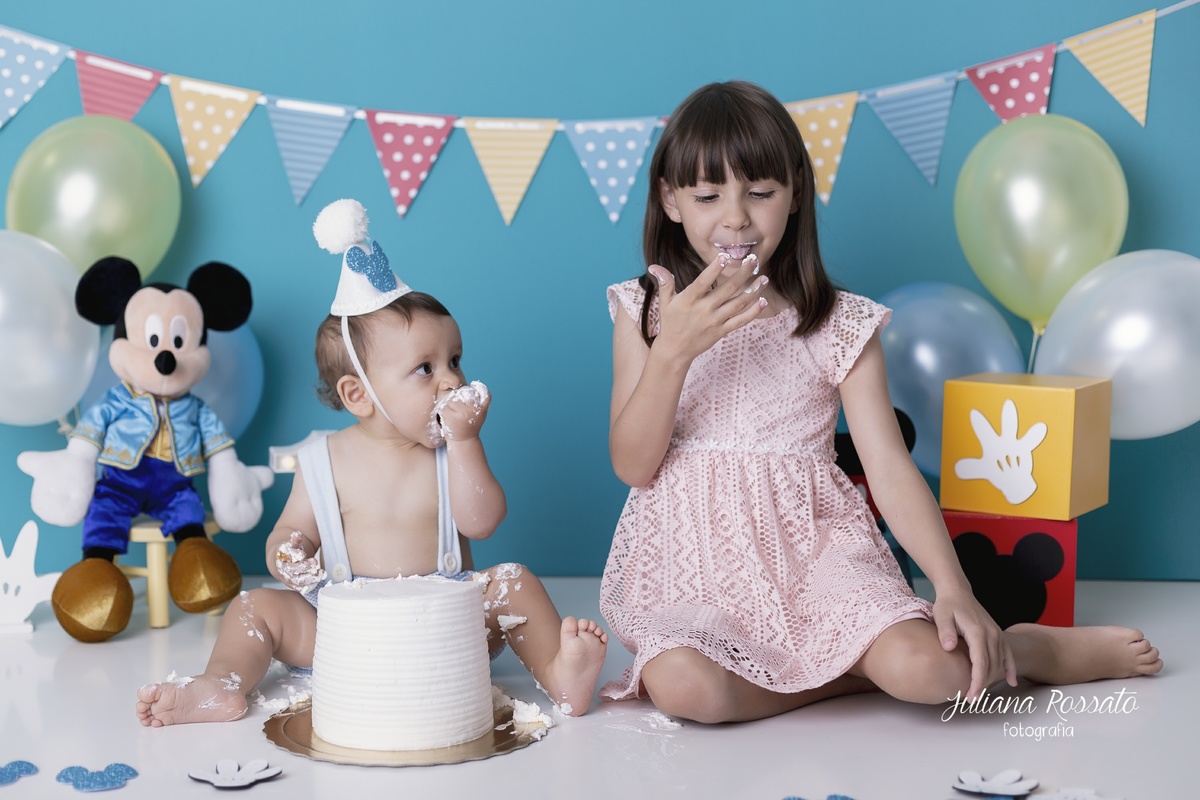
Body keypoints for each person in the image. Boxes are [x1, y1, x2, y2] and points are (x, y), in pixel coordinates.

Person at [601, 81, 1161, 724]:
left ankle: (1024, 648)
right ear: (670, 200)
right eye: (707, 196)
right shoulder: (645, 309)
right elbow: (633, 465)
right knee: (684, 689)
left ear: (795, 194)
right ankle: (851, 676)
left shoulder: (835, 322)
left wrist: (954, 587)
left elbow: (892, 474)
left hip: (815, 562)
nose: (735, 217)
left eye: (760, 192)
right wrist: (673, 352)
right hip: (695, 571)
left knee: (937, 670)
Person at [136, 200, 607, 727]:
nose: (452, 380)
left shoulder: (453, 451)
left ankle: (561, 673)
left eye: (455, 359)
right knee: (253, 608)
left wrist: (468, 442)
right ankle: (219, 686)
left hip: (448, 630)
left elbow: (482, 521)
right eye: (425, 369)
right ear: (358, 395)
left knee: (514, 581)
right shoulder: (322, 461)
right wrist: (286, 552)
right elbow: (292, 533)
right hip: (342, 633)